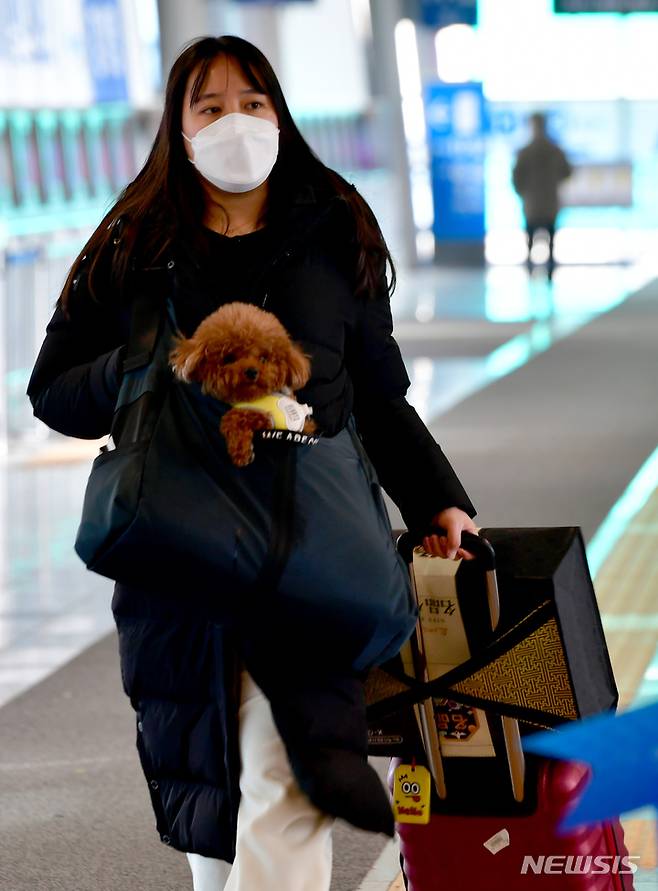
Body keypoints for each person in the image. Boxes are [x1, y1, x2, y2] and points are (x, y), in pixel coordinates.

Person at [27, 36, 477, 891]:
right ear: (181, 129)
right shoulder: (135, 240)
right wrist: (147, 370)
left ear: (280, 113)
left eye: (253, 102)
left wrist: (437, 500)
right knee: (217, 806)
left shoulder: (332, 223)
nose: (236, 121)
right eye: (211, 106)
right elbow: (53, 389)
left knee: (293, 782)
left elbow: (379, 393)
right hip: (181, 558)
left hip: (315, 550)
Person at [512, 112, 572, 279]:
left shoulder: (526, 152)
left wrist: (524, 192)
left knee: (535, 239)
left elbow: (516, 178)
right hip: (547, 203)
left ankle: (534, 270)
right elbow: (567, 173)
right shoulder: (554, 151)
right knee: (547, 240)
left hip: (534, 203)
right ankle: (546, 271)